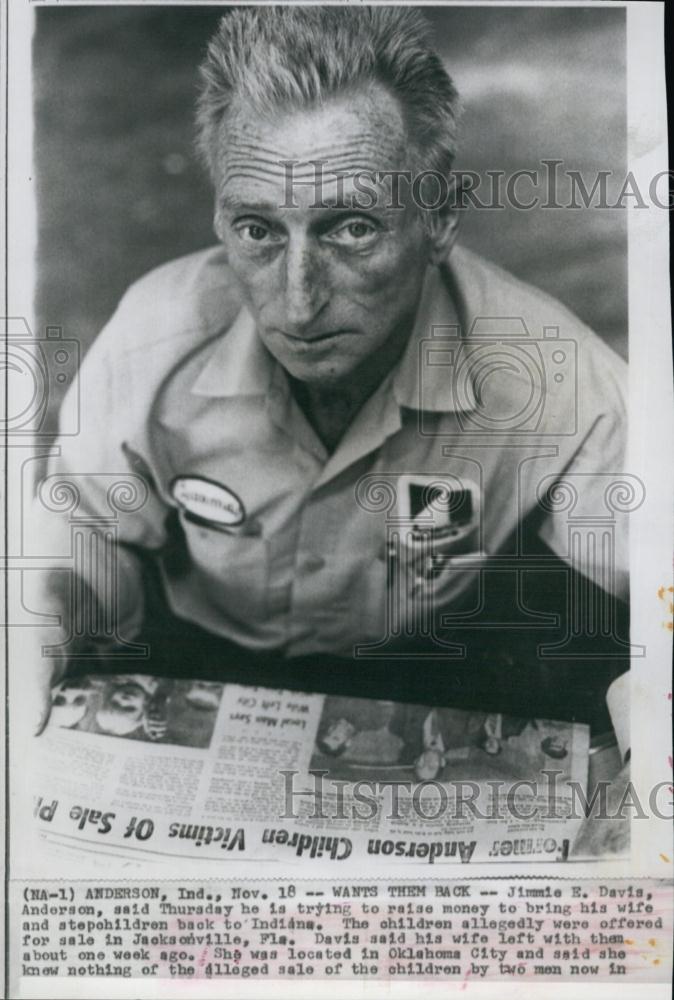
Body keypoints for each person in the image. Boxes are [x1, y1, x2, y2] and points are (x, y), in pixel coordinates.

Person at [31, 6, 629, 733]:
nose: (298, 301)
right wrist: (45, 623)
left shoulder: (552, 374)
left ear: (440, 219)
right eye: (258, 231)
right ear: (221, 220)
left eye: (351, 228)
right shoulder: (151, 338)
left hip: (437, 664)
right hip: (194, 650)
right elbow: (91, 523)